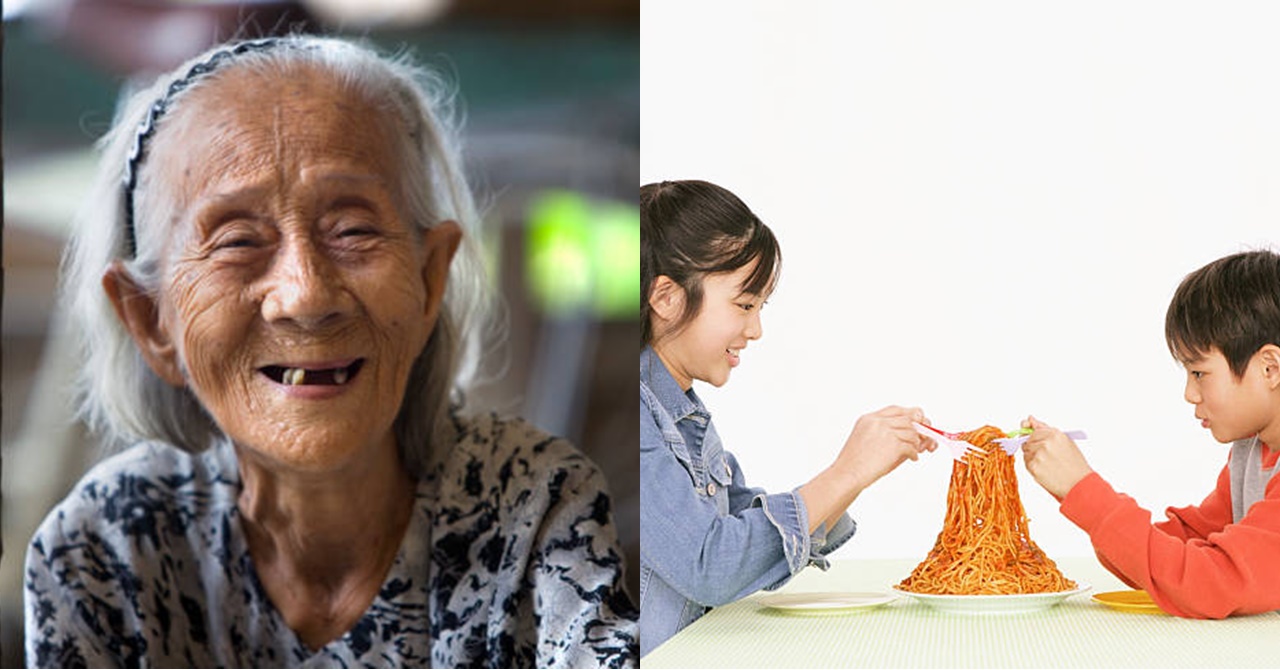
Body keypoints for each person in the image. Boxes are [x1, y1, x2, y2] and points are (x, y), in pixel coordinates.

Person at [24, 34, 637, 668]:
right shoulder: (104, 550)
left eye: (354, 230)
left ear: (431, 280)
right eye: (237, 241)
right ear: (150, 319)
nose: (305, 295)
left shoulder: (534, 504)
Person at [638, 179, 935, 655]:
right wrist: (848, 470)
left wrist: (861, 472)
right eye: (744, 305)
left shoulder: (680, 412)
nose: (755, 329)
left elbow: (742, 535)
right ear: (666, 297)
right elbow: (711, 565)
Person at [1021, 249, 1280, 618]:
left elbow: (1211, 583)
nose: (1190, 394)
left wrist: (1084, 491)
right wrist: (1073, 489)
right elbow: (1181, 552)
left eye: (1199, 373)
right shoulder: (1251, 451)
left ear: (1269, 368)